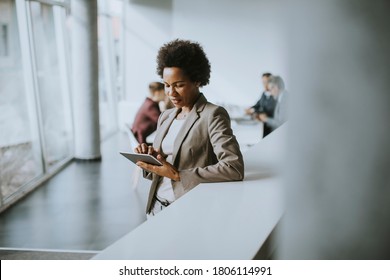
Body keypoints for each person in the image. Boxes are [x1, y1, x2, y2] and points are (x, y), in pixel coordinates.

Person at [134, 39, 244, 216]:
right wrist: (150, 160)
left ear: (197, 81)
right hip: (155, 207)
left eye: (179, 85)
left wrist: (178, 175)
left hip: (187, 209)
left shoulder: (212, 115)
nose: (171, 93)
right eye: (167, 85)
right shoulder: (166, 116)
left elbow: (234, 168)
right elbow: (160, 170)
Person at [245, 73, 277, 137]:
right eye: (263, 82)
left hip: (273, 128)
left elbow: (268, 111)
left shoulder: (275, 95)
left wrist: (254, 111)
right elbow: (258, 105)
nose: (264, 85)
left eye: (266, 82)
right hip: (265, 126)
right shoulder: (264, 94)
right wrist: (250, 109)